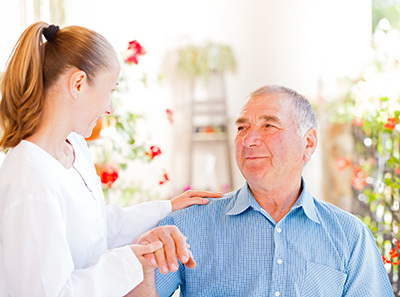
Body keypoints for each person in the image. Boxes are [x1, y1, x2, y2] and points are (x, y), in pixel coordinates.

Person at [0, 22, 222, 296]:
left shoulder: (74, 148)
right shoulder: (30, 181)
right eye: (110, 90)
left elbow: (96, 228)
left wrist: (166, 208)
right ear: (78, 84)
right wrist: (132, 260)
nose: (110, 107)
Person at [133, 85, 394, 296]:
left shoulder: (350, 236)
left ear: (309, 143)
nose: (248, 140)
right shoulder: (187, 224)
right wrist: (142, 263)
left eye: (268, 126)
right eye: (242, 127)